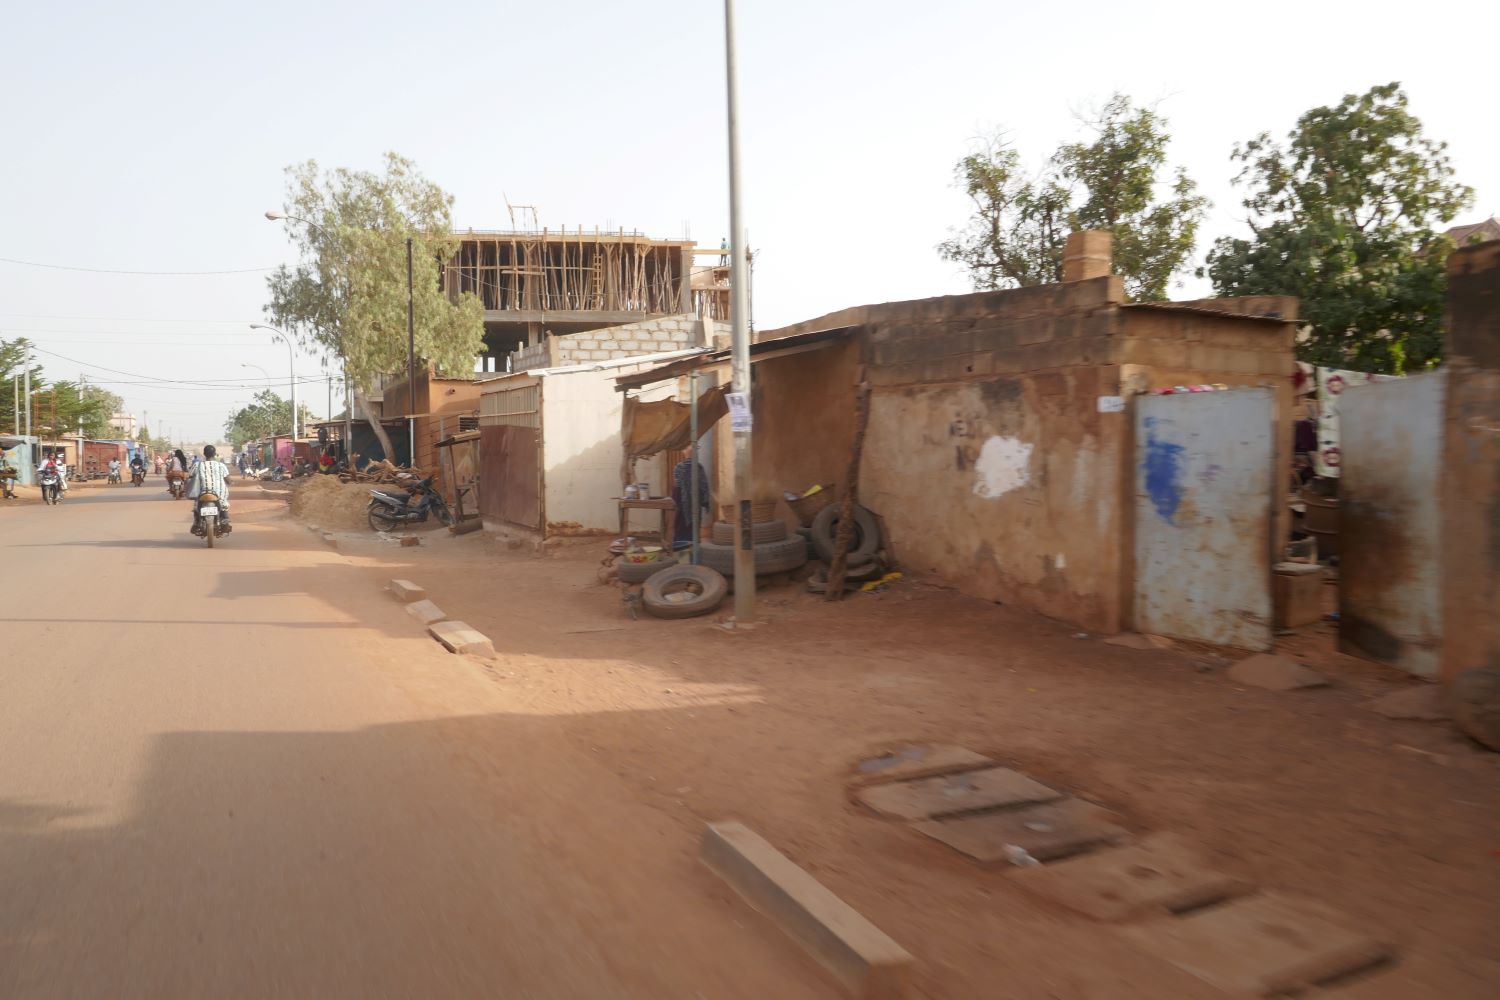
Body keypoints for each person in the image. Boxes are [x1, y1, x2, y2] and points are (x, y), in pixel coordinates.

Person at [186, 444, 231, 531]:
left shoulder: (197, 465)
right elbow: (228, 480)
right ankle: (225, 519)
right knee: (224, 504)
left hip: (202, 493)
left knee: (196, 507)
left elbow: (190, 477)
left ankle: (196, 521)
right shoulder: (221, 466)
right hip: (219, 494)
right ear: (215, 454)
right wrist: (231, 482)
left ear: (204, 454)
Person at [670, 456, 712, 550]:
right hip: (692, 501)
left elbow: (677, 486)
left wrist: (674, 500)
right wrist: (704, 501)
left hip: (682, 500)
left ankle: (683, 550)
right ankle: (691, 549)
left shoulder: (680, 467)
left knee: (683, 524)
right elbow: (704, 486)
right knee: (692, 524)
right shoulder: (698, 467)